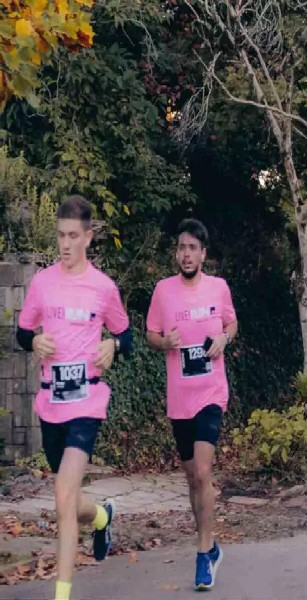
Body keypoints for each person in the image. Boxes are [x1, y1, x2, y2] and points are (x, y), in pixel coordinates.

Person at [16, 195, 133, 600]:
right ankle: (102, 516)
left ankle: (62, 595)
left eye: (72, 236)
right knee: (69, 501)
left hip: (87, 405)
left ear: (87, 237)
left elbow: (127, 335)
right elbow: (21, 332)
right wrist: (34, 341)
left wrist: (113, 347)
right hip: (51, 407)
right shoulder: (42, 282)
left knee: (63, 495)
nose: (65, 244)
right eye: (60, 235)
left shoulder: (103, 288)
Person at [146, 218, 238, 590]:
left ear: (203, 254)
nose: (186, 254)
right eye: (181, 247)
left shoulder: (218, 288)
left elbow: (231, 324)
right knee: (191, 477)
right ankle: (211, 544)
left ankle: (202, 556)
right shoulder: (163, 291)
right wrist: (164, 342)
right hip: (179, 398)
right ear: (177, 252)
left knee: (202, 471)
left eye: (192, 248)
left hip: (211, 393)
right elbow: (150, 333)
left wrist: (223, 338)